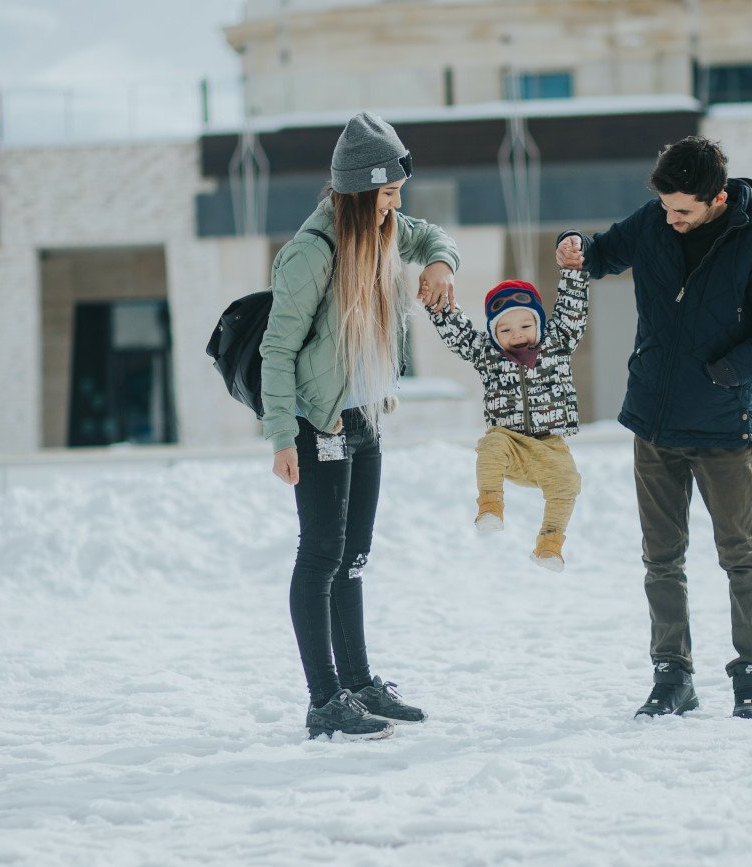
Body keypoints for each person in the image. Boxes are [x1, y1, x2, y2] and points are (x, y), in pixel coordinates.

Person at [556, 136, 752, 721]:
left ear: (717, 199)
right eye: (665, 208)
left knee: (740, 555)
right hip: (654, 421)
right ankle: (673, 675)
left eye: (683, 212)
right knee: (661, 558)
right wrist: (575, 248)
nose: (671, 221)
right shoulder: (654, 221)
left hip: (722, 425)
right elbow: (602, 254)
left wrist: (728, 372)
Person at [260, 111, 459, 741]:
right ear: (355, 194)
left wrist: (440, 267)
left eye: (398, 196)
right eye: (386, 196)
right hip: (318, 419)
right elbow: (277, 350)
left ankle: (360, 683)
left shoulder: (386, 229)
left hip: (365, 414)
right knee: (320, 554)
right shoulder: (312, 252)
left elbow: (433, 239)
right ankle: (325, 700)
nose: (394, 207)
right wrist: (280, 437)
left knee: (353, 556)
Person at [426, 270, 589, 571]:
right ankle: (490, 506)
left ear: (539, 323)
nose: (517, 335)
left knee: (568, 482)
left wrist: (571, 272)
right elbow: (459, 334)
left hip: (549, 446)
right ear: (493, 334)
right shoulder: (488, 354)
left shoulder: (559, 343)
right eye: (505, 330)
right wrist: (437, 302)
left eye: (525, 325)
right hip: (510, 446)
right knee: (491, 442)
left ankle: (550, 546)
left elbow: (572, 310)